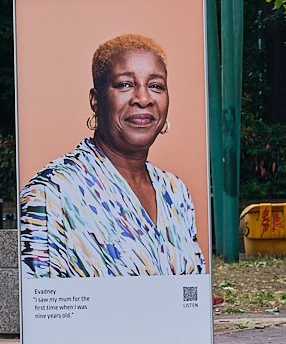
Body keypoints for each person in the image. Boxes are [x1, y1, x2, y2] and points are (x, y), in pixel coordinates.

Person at [20, 34, 204, 277]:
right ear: (96, 100)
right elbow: (39, 305)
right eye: (125, 84)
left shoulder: (175, 192)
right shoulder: (52, 192)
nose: (143, 99)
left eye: (156, 86)